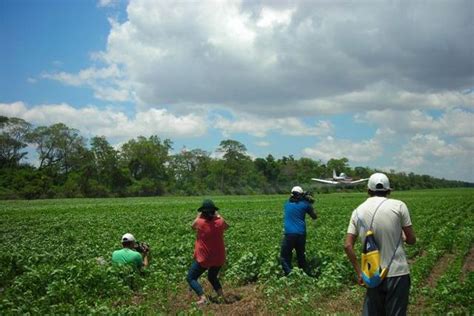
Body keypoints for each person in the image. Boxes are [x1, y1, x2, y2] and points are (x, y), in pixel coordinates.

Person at [344, 173, 416, 316]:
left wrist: (359, 272)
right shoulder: (399, 206)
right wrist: (403, 237)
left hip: (372, 274)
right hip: (398, 272)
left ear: (368, 190)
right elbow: (411, 240)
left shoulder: (357, 212)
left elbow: (347, 245)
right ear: (389, 190)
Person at [186, 199, 229, 305]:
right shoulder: (220, 222)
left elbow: (192, 226)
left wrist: (198, 216)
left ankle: (203, 298)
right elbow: (227, 226)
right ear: (214, 211)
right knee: (212, 276)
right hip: (219, 257)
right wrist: (218, 216)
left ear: (203, 212)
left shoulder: (200, 222)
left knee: (191, 277)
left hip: (205, 258)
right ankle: (222, 296)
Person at [280, 186, 317, 276]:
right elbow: (314, 216)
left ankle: (290, 274)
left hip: (289, 234)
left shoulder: (287, 204)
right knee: (301, 255)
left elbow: (293, 200)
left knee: (284, 256)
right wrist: (309, 202)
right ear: (301, 195)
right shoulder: (305, 204)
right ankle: (304, 273)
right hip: (301, 234)